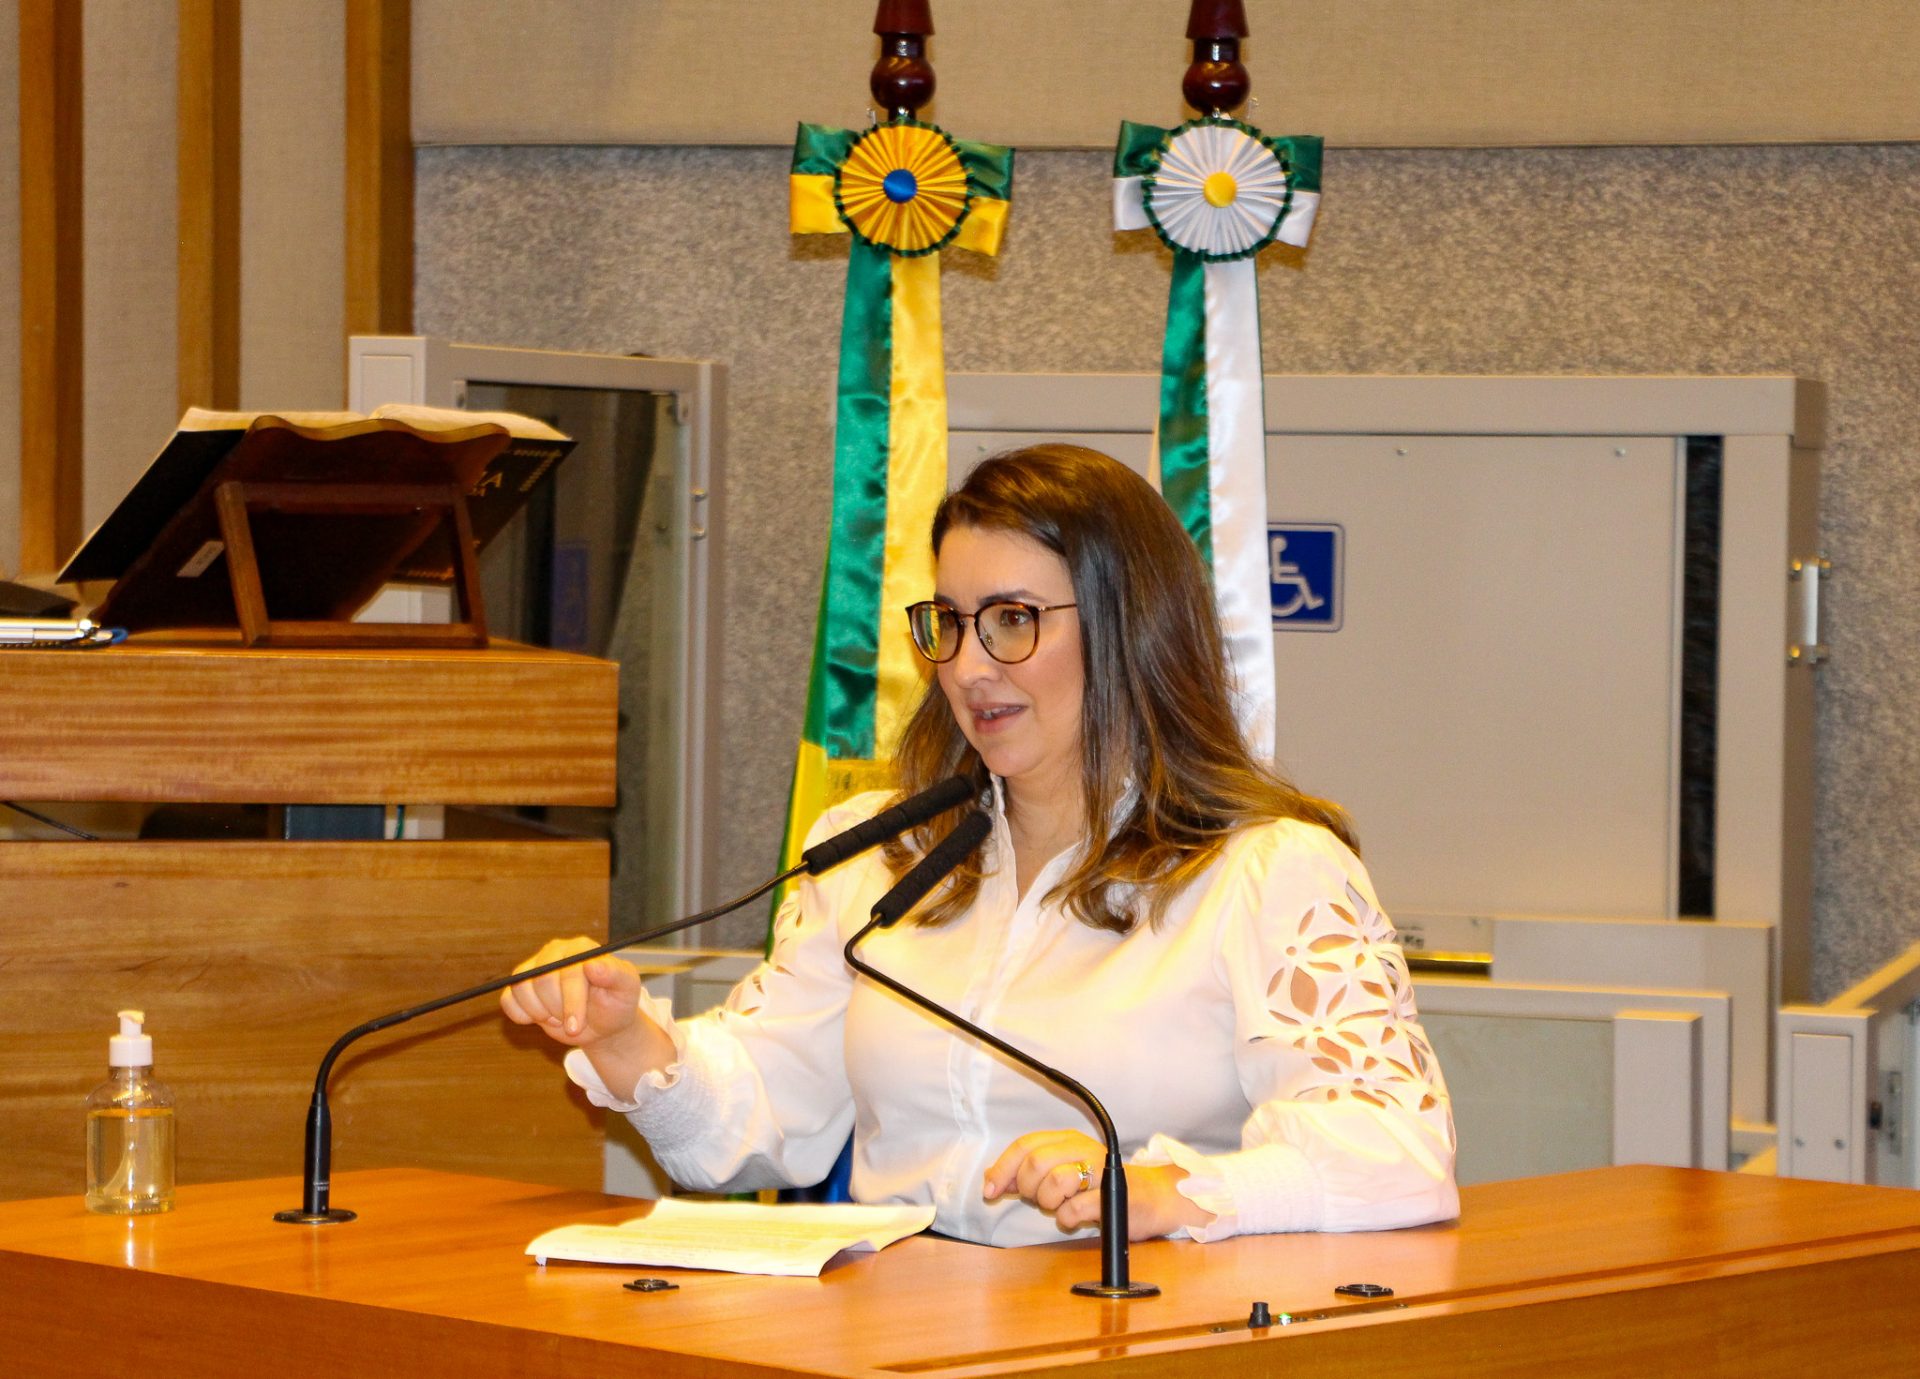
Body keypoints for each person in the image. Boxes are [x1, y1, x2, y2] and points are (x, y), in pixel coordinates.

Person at [504, 444, 1458, 1246]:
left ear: (1129, 628)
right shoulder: (876, 853)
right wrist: (628, 1037)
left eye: (1011, 620)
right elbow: (760, 1117)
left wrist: (1158, 1192)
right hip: (888, 1334)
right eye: (949, 624)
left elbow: (1401, 1155)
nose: (965, 667)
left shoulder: (1268, 872)